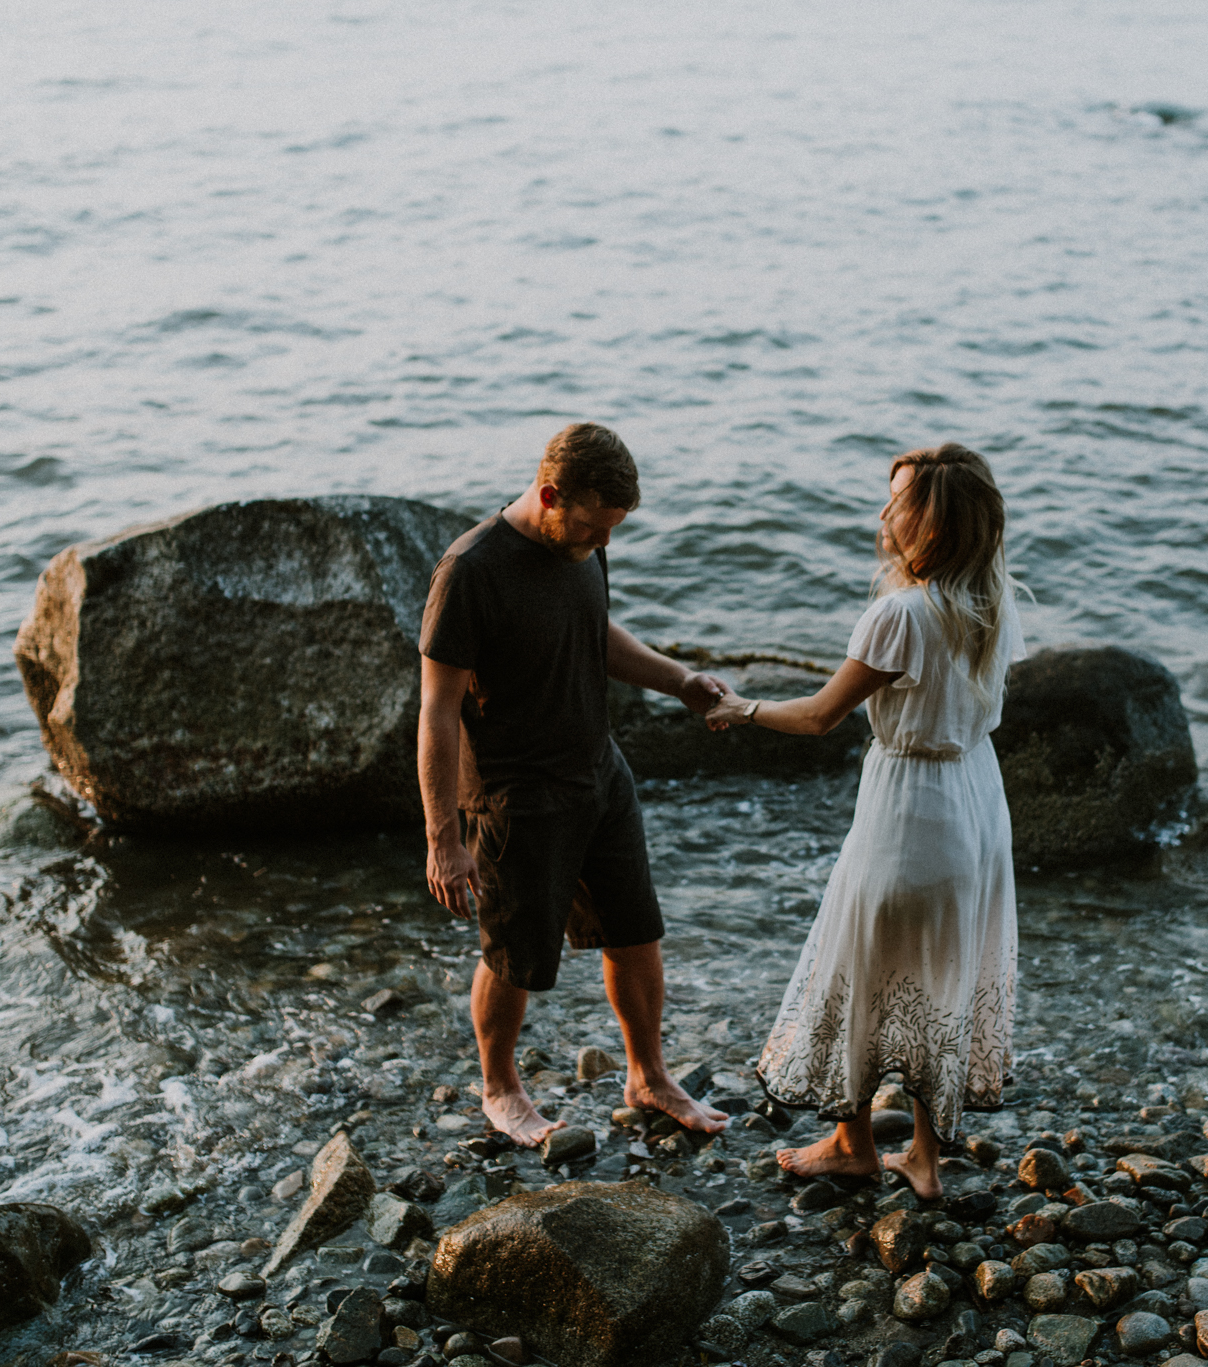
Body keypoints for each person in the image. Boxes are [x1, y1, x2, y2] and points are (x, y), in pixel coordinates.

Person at [705, 443, 1022, 1200]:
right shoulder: (992, 603)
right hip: (976, 803)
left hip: (910, 810)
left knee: (859, 967)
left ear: (933, 525)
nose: (885, 515)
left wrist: (740, 707)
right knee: (938, 973)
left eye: (900, 501)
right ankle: (923, 1156)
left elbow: (818, 716)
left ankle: (851, 1144)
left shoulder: (899, 615)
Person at [416, 422, 733, 1146]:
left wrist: (678, 680)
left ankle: (647, 1073)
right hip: (516, 795)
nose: (605, 544)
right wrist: (444, 838)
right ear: (552, 495)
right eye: (594, 527)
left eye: (613, 530)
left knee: (637, 932)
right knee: (513, 953)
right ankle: (499, 1087)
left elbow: (596, 632)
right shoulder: (471, 570)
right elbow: (435, 712)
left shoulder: (582, 546)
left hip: (599, 771)